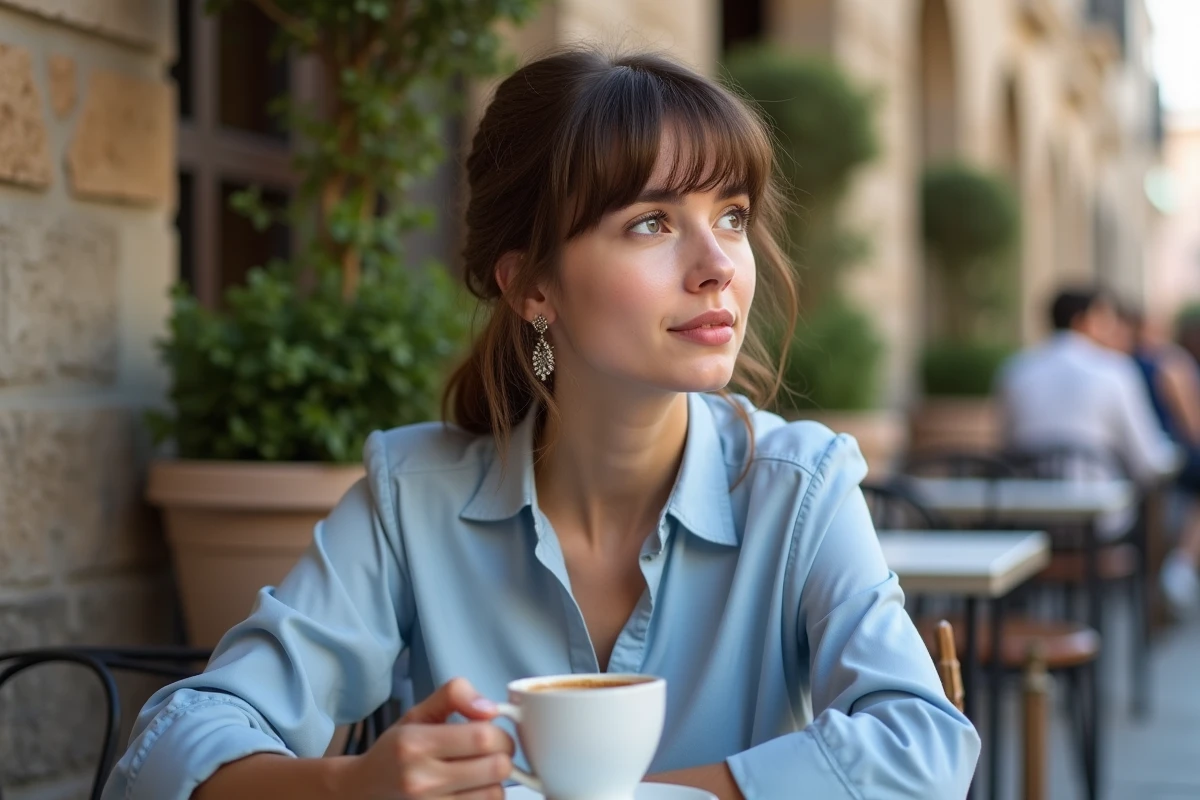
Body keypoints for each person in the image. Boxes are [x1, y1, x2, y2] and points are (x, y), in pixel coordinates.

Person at [102, 49, 979, 800]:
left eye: (732, 218)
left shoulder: (801, 485)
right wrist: (351, 784)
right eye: (651, 223)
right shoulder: (415, 497)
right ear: (532, 287)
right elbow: (175, 741)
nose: (718, 267)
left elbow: (924, 746)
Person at [996, 288, 1180, 537]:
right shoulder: (1115, 370)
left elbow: (1008, 443)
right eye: (1106, 320)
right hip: (1098, 525)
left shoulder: (1015, 369)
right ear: (1082, 321)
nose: (1112, 329)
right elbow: (1148, 460)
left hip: (1030, 518)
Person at [1126, 307, 1200, 616]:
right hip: (1162, 457)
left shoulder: (1122, 364)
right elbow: (1191, 425)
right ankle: (1183, 563)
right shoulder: (1171, 364)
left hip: (1136, 458)